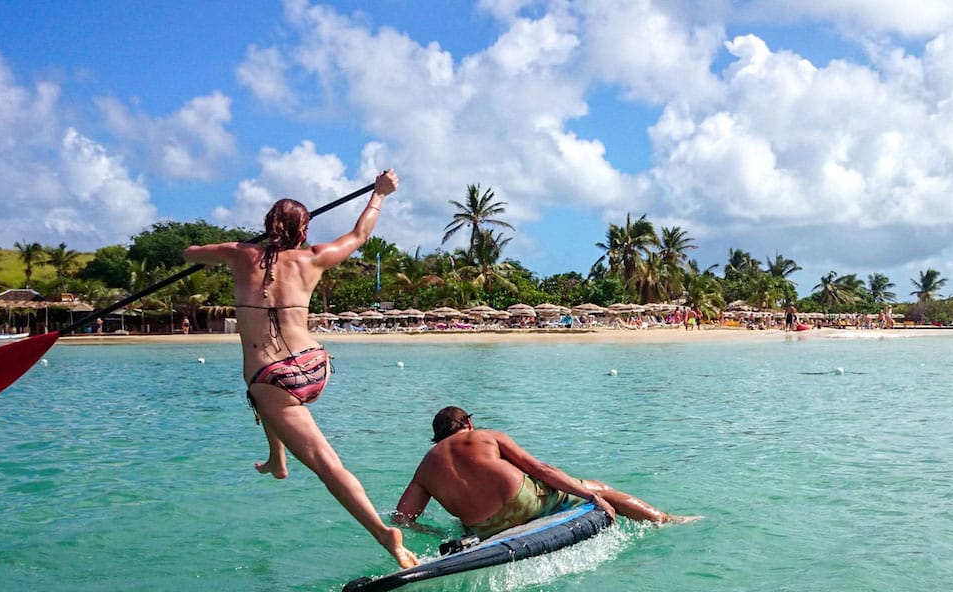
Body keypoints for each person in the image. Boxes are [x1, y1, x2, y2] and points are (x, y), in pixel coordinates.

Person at [182, 169, 418, 569]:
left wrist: (238, 247)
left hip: (272, 378)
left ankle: (384, 535)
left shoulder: (240, 255)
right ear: (303, 232)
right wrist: (379, 195)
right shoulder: (313, 258)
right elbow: (359, 235)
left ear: (266, 226)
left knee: (324, 460)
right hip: (314, 366)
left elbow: (190, 253)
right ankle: (277, 458)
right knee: (260, 389)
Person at [392, 406, 699, 542]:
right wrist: (591, 496)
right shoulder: (484, 435)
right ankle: (666, 520)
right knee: (603, 488)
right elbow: (540, 469)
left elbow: (402, 519)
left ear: (437, 438)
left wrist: (443, 535)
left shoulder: (425, 466)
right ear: (468, 424)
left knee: (462, 521)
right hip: (524, 501)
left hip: (484, 527)